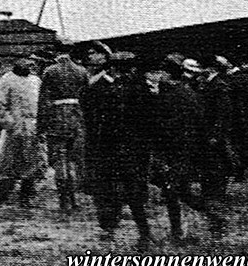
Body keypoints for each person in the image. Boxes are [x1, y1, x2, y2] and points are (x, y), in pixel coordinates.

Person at [136, 58, 228, 241]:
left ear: (167, 73)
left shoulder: (169, 95)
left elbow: (164, 124)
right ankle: (209, 218)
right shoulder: (187, 91)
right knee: (178, 191)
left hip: (174, 149)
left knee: (173, 190)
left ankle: (187, 227)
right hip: (186, 148)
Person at [82, 51, 153, 250]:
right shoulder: (136, 88)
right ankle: (129, 232)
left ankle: (128, 231)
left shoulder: (101, 88)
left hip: (117, 149)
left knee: (121, 191)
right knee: (120, 192)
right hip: (120, 149)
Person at [37, 47, 90, 213]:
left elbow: (43, 100)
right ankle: (73, 201)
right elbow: (87, 97)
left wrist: (40, 126)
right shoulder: (81, 71)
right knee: (72, 161)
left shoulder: (49, 71)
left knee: (60, 161)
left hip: (57, 118)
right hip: (77, 118)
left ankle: (63, 201)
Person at [0, 58, 45, 210]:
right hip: (14, 128)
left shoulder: (36, 80)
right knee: (7, 163)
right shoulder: (7, 79)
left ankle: (25, 198)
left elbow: (41, 102)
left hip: (32, 128)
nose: (30, 66)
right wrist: (8, 123)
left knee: (31, 163)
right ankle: (2, 198)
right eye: (27, 62)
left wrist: (40, 123)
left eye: (32, 63)